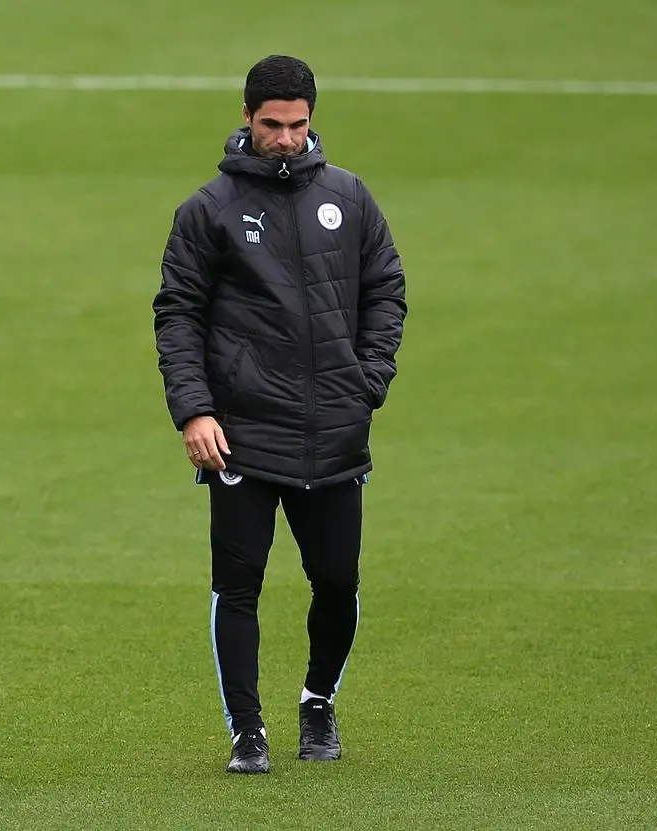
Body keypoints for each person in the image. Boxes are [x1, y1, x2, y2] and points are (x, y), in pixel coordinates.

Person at [153, 55, 407, 774]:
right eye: (273, 125)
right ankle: (247, 730)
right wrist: (194, 411)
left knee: (336, 582)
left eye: (298, 125)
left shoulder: (349, 198)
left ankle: (318, 700)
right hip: (241, 432)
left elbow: (386, 287)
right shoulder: (209, 211)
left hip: (335, 430)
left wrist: (369, 379)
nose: (287, 139)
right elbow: (177, 316)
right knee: (239, 585)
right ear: (247, 117)